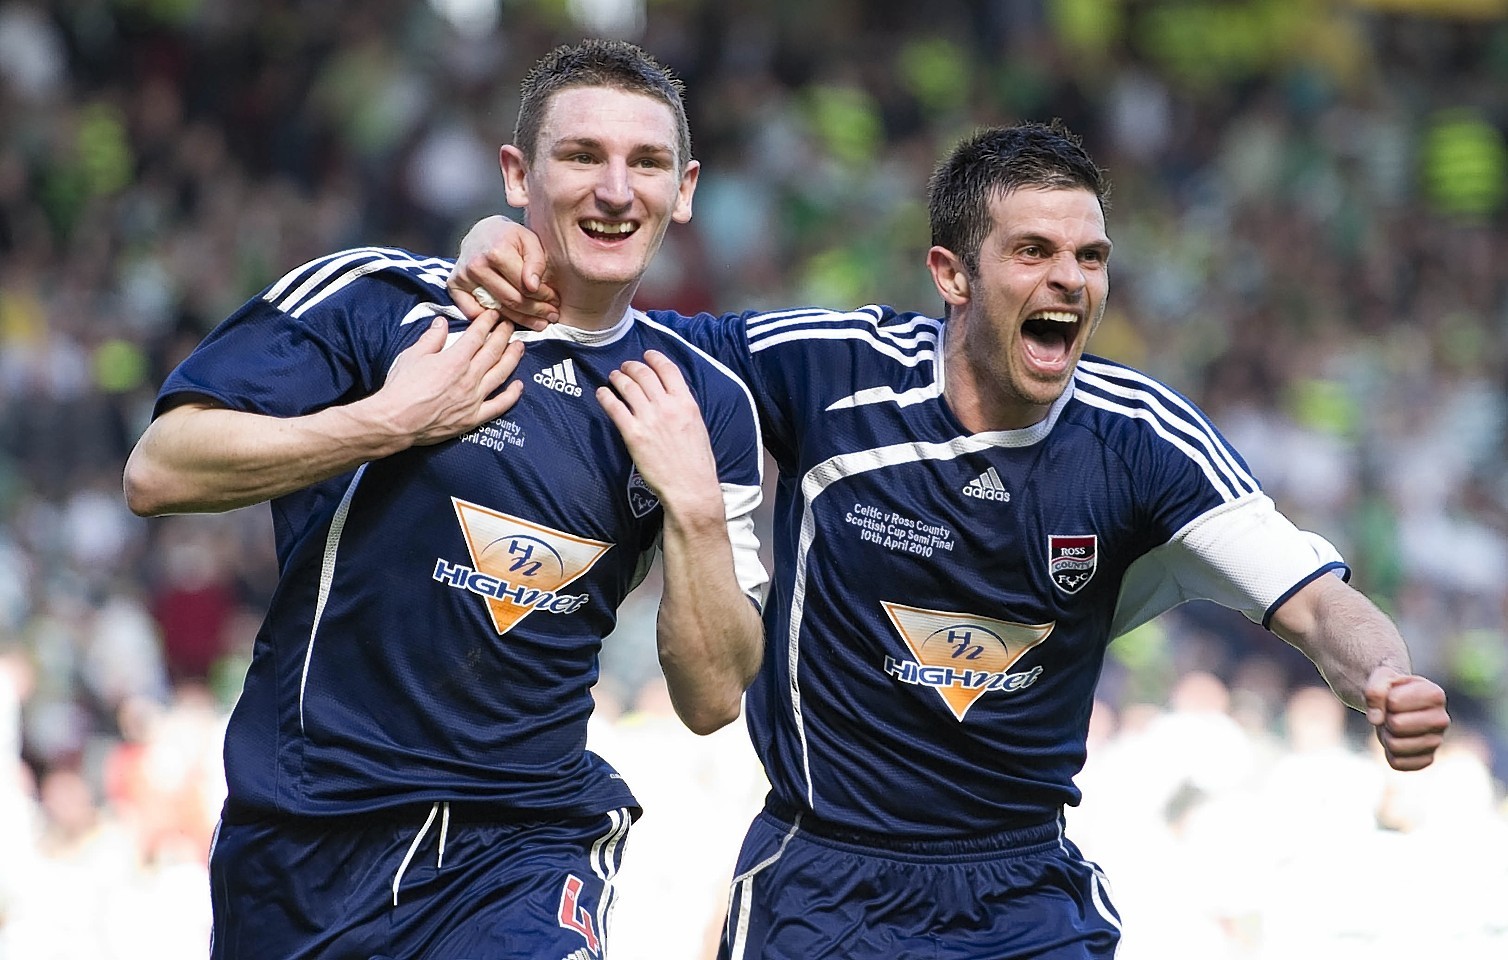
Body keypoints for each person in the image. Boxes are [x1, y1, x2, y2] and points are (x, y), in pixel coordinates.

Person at [451, 119, 1451, 959]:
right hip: (820, 883)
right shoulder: (831, 371)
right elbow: (621, 340)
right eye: (1033, 252)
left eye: (1088, 257)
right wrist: (499, 250)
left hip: (1023, 891)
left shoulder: (1142, 439)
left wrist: (1381, 679)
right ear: (951, 273)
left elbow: (1317, 601)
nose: (1068, 280)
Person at [122, 39, 766, 960]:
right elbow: (159, 469)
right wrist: (384, 422)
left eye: (647, 163)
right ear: (517, 173)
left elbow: (710, 701)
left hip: (526, 846)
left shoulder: (701, 399)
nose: (617, 190)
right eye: (582, 156)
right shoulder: (377, 303)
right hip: (308, 834)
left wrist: (697, 511)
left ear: (687, 188)